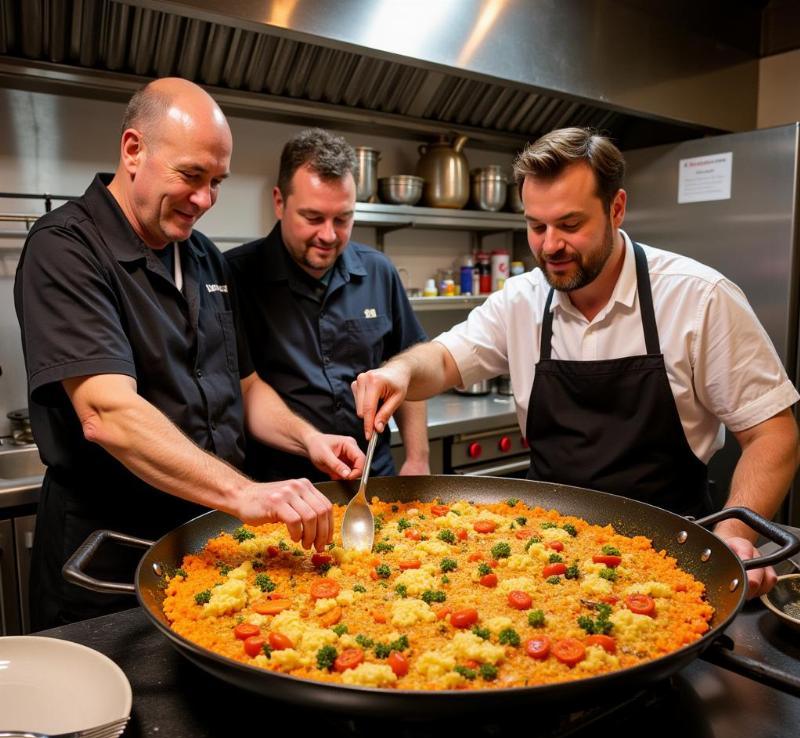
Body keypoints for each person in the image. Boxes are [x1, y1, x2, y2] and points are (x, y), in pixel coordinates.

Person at [352, 126, 800, 598]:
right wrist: (400, 370)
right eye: (536, 226)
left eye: (569, 225)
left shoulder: (699, 298)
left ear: (617, 208)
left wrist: (733, 537)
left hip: (674, 555)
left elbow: (773, 433)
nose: (549, 246)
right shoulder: (522, 300)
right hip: (543, 559)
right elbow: (442, 360)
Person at [14, 79, 364, 631]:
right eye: (190, 176)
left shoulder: (203, 257)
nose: (204, 199)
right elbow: (106, 413)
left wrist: (309, 438)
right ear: (133, 150)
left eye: (216, 182)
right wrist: (246, 493)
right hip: (111, 556)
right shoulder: (66, 249)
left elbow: (243, 385)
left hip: (207, 543)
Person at [225, 128, 429, 482]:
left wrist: (418, 458)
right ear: (279, 202)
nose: (329, 235)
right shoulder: (233, 276)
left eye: (343, 219)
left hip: (371, 476)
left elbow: (410, 367)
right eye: (313, 218)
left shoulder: (378, 271)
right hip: (279, 485)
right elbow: (244, 390)